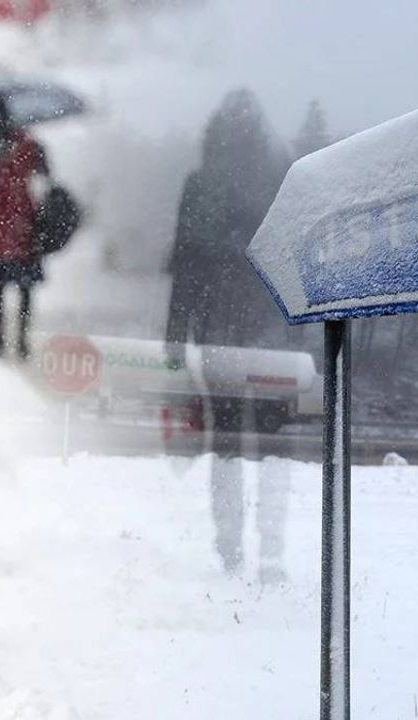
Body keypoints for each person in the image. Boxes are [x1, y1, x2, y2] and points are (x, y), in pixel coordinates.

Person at [165, 89, 295, 585]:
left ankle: (232, 550)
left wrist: (177, 334)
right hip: (265, 334)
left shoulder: (202, 185)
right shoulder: (274, 182)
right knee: (268, 447)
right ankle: (267, 553)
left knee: (227, 446)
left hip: (220, 330)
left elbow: (184, 264)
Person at [0, 93, 48, 359]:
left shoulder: (15, 142)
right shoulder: (15, 141)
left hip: (6, 219)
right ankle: (13, 338)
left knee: (2, 285)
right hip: (18, 218)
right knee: (13, 285)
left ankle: (6, 338)